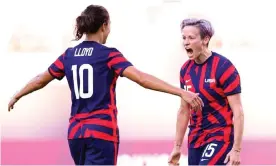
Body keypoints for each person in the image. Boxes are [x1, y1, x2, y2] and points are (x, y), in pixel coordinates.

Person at [7, 5, 204, 166]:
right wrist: (180, 92)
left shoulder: (69, 55)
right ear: (104, 26)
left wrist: (18, 94)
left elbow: (42, 78)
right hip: (101, 133)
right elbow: (141, 78)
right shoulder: (108, 55)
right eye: (109, 25)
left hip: (76, 135)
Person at [168, 18, 244, 166]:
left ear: (205, 39)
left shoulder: (224, 67)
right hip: (195, 138)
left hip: (220, 135)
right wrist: (177, 147)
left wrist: (236, 149)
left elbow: (238, 110)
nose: (186, 42)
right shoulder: (185, 70)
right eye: (184, 38)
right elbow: (184, 111)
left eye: (191, 37)